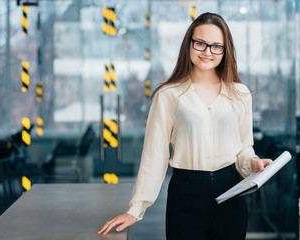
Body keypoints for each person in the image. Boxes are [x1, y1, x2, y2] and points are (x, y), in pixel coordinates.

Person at [98, 12, 272, 240]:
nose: (207, 52)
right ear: (188, 44)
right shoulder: (168, 95)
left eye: (216, 46)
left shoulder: (239, 94)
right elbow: (154, 156)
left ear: (225, 50)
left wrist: (253, 162)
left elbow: (243, 149)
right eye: (200, 43)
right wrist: (135, 210)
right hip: (186, 193)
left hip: (231, 192)